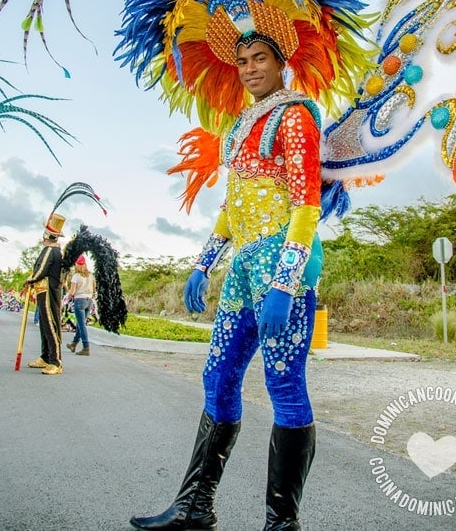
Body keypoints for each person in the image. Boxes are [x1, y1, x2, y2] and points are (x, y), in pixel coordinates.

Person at [130, 32, 323, 530]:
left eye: (260, 58)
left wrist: (285, 282)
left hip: (284, 262)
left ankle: (282, 523)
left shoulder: (296, 115)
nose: (250, 68)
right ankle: (195, 506)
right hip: (242, 267)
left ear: (283, 64)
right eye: (242, 61)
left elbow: (306, 206)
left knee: (284, 384)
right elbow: (231, 208)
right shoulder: (239, 125)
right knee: (217, 378)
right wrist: (203, 263)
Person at [26, 212, 65, 375]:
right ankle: (45, 357)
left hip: (49, 290)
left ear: (48, 235)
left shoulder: (51, 250)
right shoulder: (51, 249)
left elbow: (42, 269)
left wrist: (31, 279)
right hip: (43, 290)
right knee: (43, 324)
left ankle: (55, 361)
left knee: (50, 324)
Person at [66, 254, 96, 356]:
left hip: (80, 300)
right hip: (89, 300)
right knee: (80, 323)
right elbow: (94, 288)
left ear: (77, 265)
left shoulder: (76, 276)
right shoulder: (91, 275)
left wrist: (68, 297)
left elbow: (72, 291)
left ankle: (86, 347)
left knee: (82, 325)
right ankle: (73, 343)